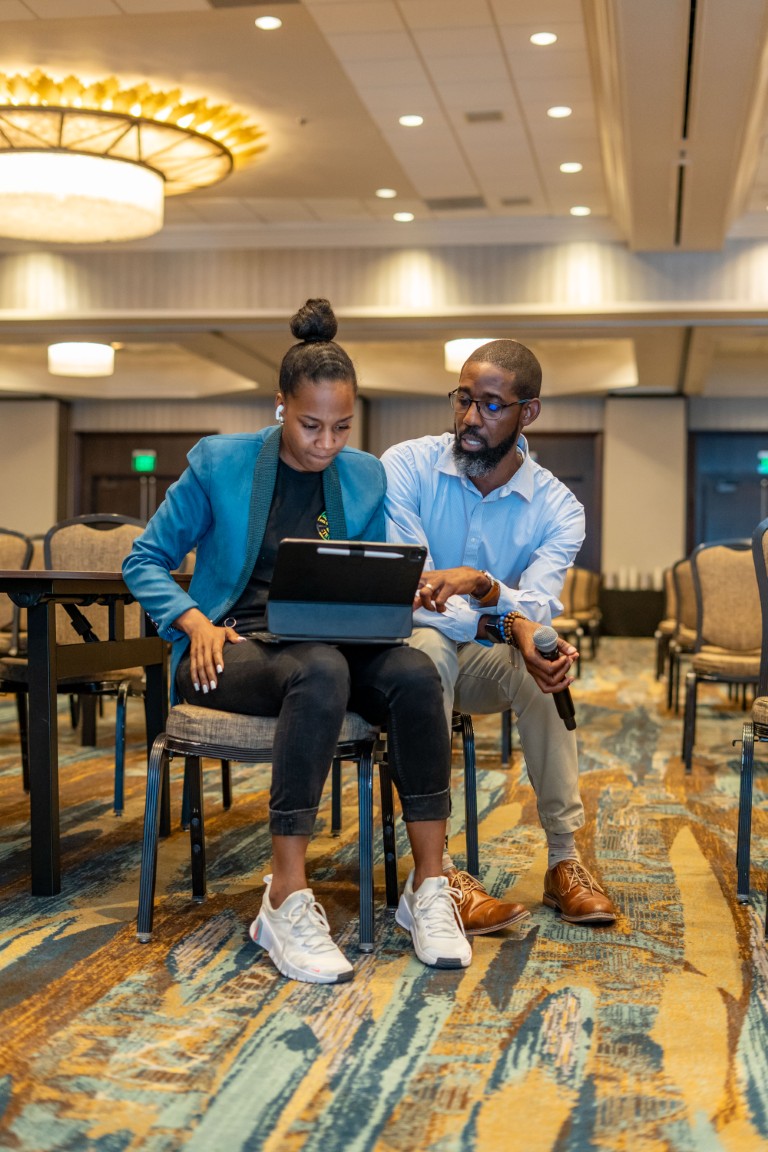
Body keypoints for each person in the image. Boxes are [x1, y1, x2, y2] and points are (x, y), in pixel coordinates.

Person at [123, 298, 471, 984]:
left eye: (342, 427)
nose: (326, 443)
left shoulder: (363, 474)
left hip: (330, 642)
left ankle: (428, 887)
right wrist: (192, 620)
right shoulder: (219, 463)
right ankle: (283, 897)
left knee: (413, 673)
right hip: (228, 648)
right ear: (280, 406)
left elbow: (360, 573)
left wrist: (401, 591)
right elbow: (144, 559)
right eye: (311, 425)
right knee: (320, 670)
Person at [381, 338, 617, 930]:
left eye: (489, 405)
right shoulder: (406, 466)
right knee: (429, 648)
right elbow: (413, 595)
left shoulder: (558, 508)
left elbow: (536, 610)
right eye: (462, 399)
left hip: (482, 662)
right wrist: (499, 615)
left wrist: (484, 590)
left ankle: (564, 860)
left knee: (545, 665)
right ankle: (435, 871)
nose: (469, 417)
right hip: (407, 661)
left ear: (527, 412)